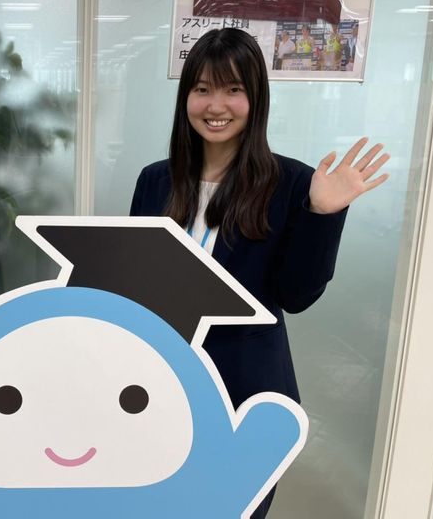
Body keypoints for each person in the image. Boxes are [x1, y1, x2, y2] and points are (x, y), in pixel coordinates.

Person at [129, 28, 388, 518]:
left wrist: (323, 213)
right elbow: (136, 282)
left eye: (233, 89)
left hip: (245, 389)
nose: (216, 106)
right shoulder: (156, 180)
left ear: (256, 99)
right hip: (160, 382)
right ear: (186, 97)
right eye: (202, 89)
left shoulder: (292, 182)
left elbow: (297, 295)